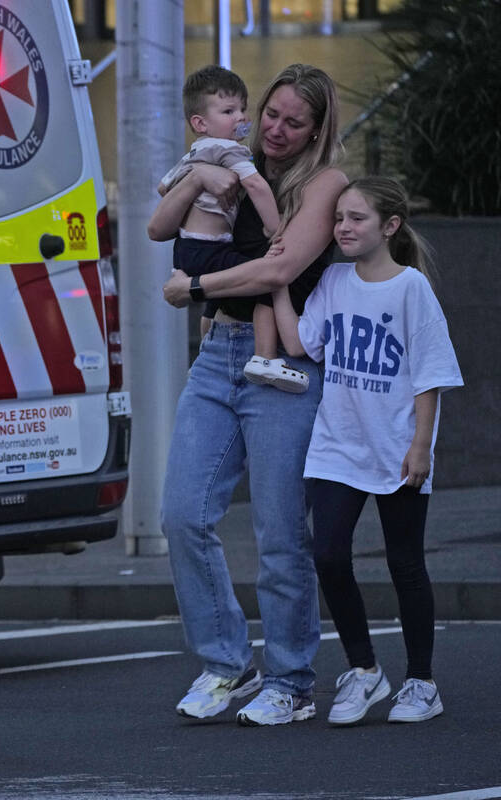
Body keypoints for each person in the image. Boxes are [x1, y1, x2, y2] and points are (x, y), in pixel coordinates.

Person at [152, 64, 348, 726]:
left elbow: (282, 265)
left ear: (318, 130)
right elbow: (163, 224)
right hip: (219, 353)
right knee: (182, 512)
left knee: (280, 531)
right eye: (271, 114)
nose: (277, 129)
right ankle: (226, 663)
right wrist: (197, 179)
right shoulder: (234, 160)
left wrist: (198, 290)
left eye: (295, 122)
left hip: (284, 366)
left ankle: (292, 679)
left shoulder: (325, 182)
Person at [270, 177, 462, 725]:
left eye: (357, 219)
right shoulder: (332, 280)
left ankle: (422, 683)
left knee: (405, 564)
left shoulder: (411, 289)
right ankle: (364, 669)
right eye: (339, 219)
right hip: (338, 445)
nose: (343, 229)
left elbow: (432, 376)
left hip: (398, 447)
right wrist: (279, 282)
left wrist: (420, 447)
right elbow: (300, 345)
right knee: (328, 556)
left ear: (390, 227)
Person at [158, 65, 307, 393]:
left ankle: (205, 346)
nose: (240, 117)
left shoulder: (194, 154)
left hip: (186, 248)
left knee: (223, 291)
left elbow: (163, 188)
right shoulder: (231, 151)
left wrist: (196, 184)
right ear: (200, 122)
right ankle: (265, 357)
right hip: (210, 246)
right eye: (229, 111)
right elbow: (256, 186)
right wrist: (276, 229)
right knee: (266, 279)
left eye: (242, 108)